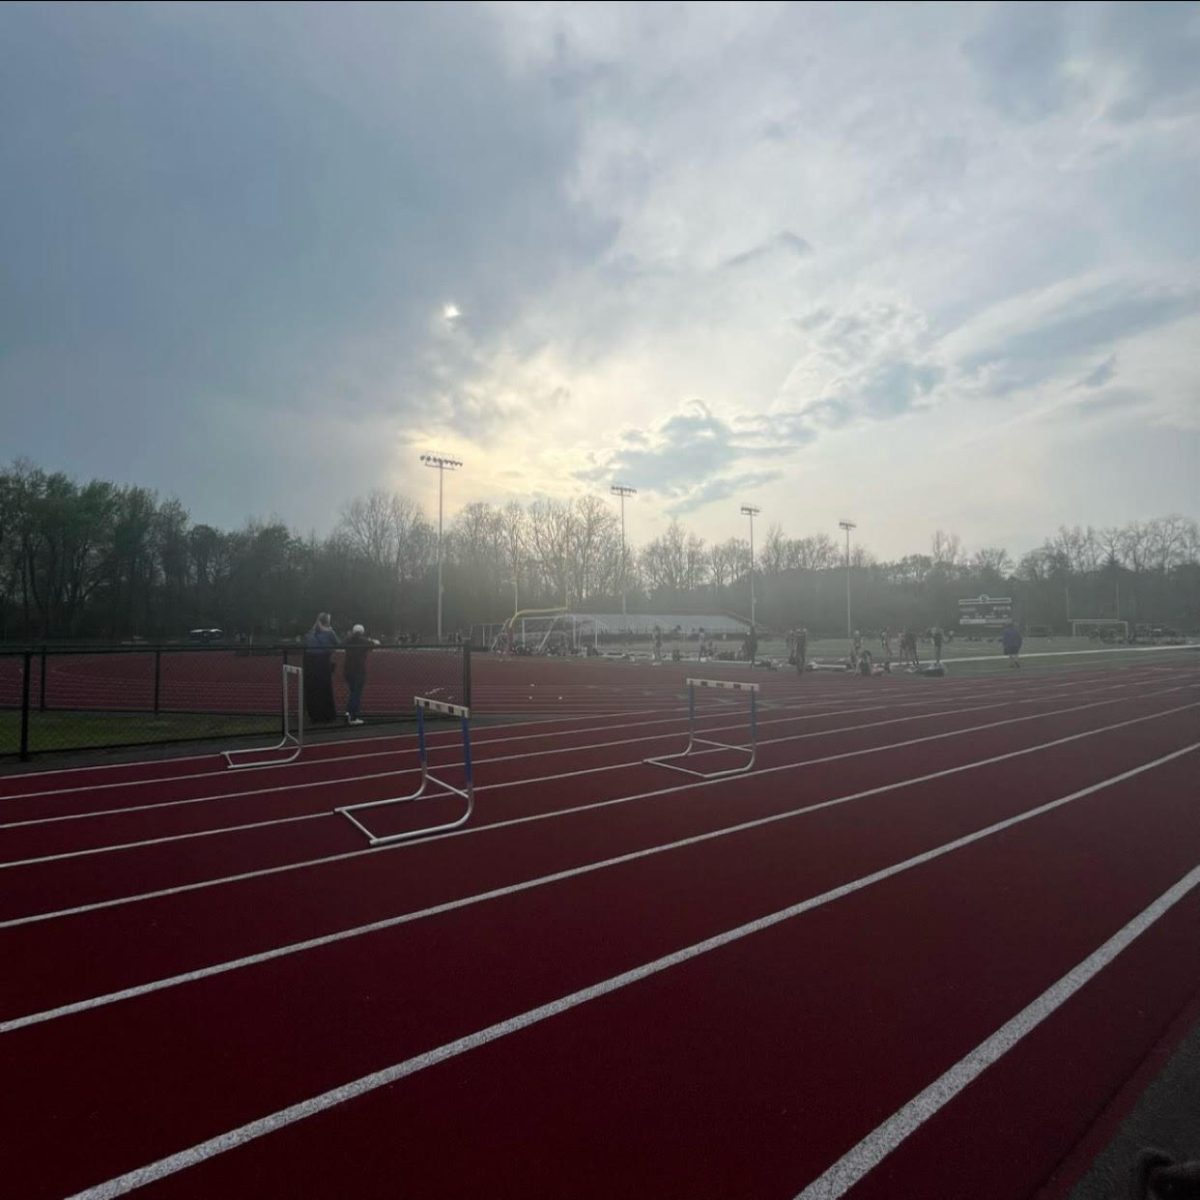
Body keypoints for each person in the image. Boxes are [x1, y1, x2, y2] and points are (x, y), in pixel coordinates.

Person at [303, 613, 340, 723]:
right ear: (327, 621)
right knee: (325, 689)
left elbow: (306, 644)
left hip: (309, 662)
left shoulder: (310, 634)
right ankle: (327, 715)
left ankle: (314, 715)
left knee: (312, 689)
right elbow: (338, 643)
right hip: (323, 661)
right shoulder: (329, 633)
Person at [342, 623, 379, 725]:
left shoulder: (348, 640)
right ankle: (352, 716)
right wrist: (373, 641)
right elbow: (375, 644)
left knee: (352, 692)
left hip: (347, 669)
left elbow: (342, 643)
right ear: (362, 632)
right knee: (356, 694)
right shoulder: (364, 641)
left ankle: (348, 713)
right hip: (358, 670)